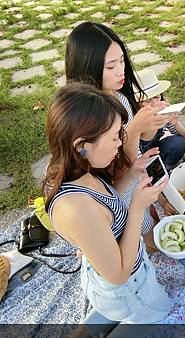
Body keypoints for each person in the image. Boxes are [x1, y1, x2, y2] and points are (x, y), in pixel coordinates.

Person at [44, 83, 172, 326]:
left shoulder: (76, 169)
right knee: (159, 313)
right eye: (114, 137)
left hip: (113, 273)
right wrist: (136, 207)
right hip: (126, 289)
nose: (119, 143)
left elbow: (108, 204)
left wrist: (133, 174)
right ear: (81, 146)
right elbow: (119, 275)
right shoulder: (78, 209)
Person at [65, 22, 177, 230]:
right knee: (144, 228)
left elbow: (140, 144)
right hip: (116, 188)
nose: (121, 71)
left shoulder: (118, 95)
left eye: (122, 61)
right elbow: (117, 169)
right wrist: (134, 129)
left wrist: (155, 121)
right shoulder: (87, 119)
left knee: (152, 219)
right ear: (87, 67)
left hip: (132, 173)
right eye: (111, 66)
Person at [136, 68, 185, 169]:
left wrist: (175, 123)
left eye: (156, 97)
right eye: (147, 100)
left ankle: (167, 169)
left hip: (157, 151)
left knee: (177, 143)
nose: (154, 103)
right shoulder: (134, 119)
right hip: (138, 157)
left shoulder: (163, 110)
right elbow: (133, 154)